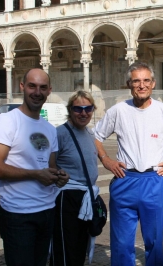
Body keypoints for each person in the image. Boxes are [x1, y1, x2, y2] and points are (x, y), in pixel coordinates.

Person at [93, 62, 163, 266]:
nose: (142, 85)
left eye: (146, 80)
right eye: (136, 81)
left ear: (153, 83)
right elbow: (96, 136)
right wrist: (106, 159)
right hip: (125, 181)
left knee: (155, 242)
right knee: (121, 244)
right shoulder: (118, 111)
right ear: (128, 84)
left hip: (153, 181)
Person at [0, 68, 69, 266]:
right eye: (32, 86)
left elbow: (50, 167)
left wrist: (59, 177)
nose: (37, 92)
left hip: (47, 211)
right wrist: (35, 174)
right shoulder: (7, 121)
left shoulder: (49, 128)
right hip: (18, 214)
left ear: (49, 91)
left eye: (42, 87)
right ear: (22, 87)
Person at [50, 90, 99, 265]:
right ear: (70, 110)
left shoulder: (90, 133)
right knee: (65, 248)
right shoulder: (60, 133)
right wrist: (58, 175)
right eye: (78, 109)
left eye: (88, 108)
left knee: (79, 247)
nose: (84, 113)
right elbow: (50, 164)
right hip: (67, 198)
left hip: (85, 197)